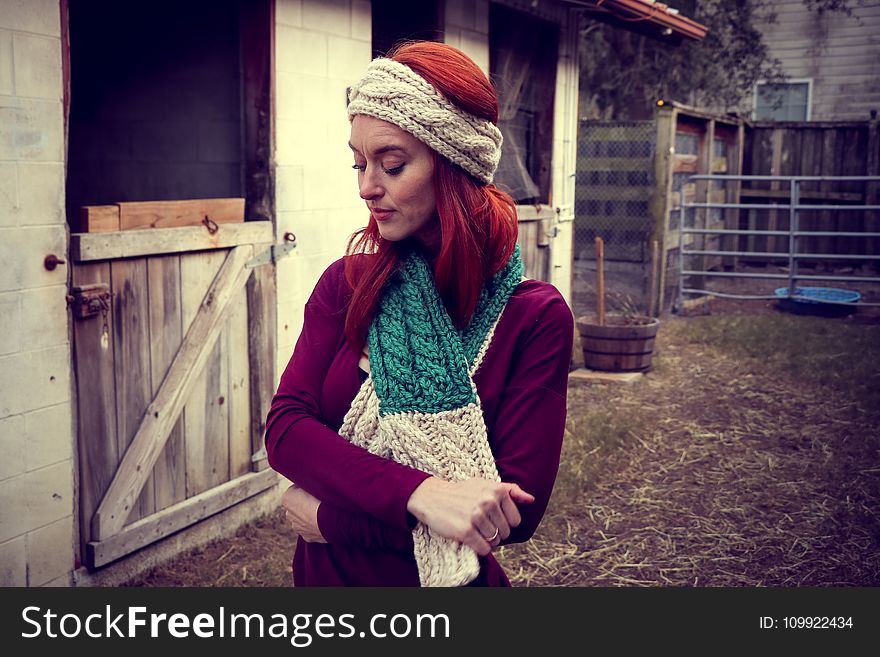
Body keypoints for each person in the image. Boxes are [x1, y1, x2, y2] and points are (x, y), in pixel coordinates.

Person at [265, 41, 573, 587]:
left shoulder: (532, 318)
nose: (366, 187)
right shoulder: (349, 284)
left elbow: (511, 515)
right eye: (359, 164)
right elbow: (288, 429)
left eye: (392, 164)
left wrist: (332, 518)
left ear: (453, 165)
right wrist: (422, 495)